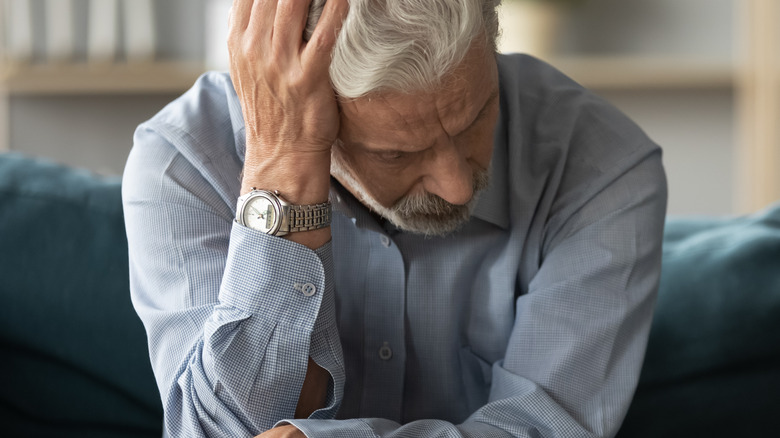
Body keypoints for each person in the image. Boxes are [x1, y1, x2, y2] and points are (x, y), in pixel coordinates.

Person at [122, 0, 668, 437]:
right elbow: (219, 434)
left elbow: (549, 430)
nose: (457, 186)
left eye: (476, 115)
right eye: (396, 154)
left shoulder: (603, 164)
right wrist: (284, 167)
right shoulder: (184, 163)